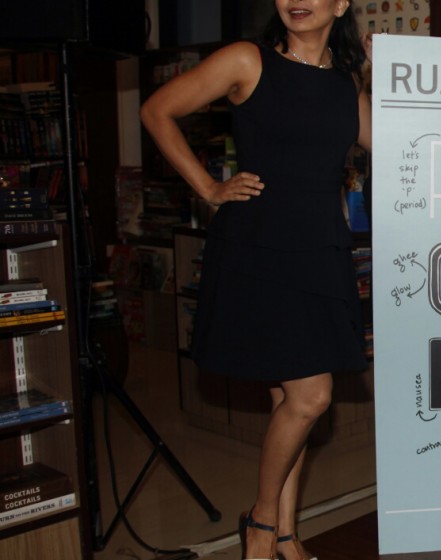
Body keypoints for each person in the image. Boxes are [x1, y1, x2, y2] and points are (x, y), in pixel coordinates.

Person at [140, 1, 371, 559]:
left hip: (318, 251)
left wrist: (387, 74)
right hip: (259, 246)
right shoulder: (249, 60)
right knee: (311, 397)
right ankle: (263, 524)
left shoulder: (345, 85)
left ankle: (286, 535)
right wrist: (208, 188)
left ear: (341, 4)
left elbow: (405, 142)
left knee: (289, 402)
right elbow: (157, 110)